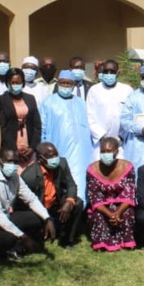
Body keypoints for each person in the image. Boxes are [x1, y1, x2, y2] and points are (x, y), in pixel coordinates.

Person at [0, 148, 55, 266]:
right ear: (0, 161)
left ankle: (15, 248)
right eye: (9, 161)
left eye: (16, 162)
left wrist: (48, 218)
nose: (13, 165)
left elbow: (30, 199)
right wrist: (23, 237)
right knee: (9, 238)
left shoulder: (15, 177)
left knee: (38, 218)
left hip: (5, 217)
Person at [41, 70, 93, 201]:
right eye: (62, 83)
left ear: (74, 85)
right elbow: (42, 128)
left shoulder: (81, 102)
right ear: (57, 83)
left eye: (68, 83)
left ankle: (81, 210)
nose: (65, 86)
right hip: (59, 149)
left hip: (82, 153)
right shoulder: (48, 102)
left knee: (82, 182)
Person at [18, 143, 84, 247]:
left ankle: (67, 239)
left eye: (56, 155)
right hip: (38, 208)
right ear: (40, 159)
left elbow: (71, 185)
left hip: (55, 203)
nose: (55, 159)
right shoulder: (28, 176)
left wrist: (69, 201)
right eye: (50, 157)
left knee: (78, 203)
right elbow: (24, 204)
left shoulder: (62, 163)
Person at [86, 137, 137, 252]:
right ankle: (101, 243)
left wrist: (117, 213)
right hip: (102, 206)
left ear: (117, 152)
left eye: (109, 151)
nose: (105, 154)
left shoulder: (128, 167)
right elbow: (94, 196)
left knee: (128, 212)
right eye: (103, 151)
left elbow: (129, 194)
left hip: (122, 205)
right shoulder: (91, 169)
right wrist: (110, 214)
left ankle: (126, 241)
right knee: (97, 215)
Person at [0, 68, 41, 173]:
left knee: (30, 176)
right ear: (7, 83)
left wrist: (32, 148)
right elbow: (2, 127)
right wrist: (14, 150)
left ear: (23, 83)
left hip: (28, 145)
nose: (16, 85)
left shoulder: (30, 99)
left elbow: (37, 125)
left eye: (18, 82)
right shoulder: (1, 100)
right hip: (11, 147)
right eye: (13, 82)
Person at [87, 59, 134, 159]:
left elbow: (132, 115)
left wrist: (121, 137)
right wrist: (102, 137)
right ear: (102, 73)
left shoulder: (127, 90)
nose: (109, 74)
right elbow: (89, 116)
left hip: (122, 144)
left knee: (122, 171)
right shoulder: (94, 90)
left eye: (112, 72)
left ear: (118, 72)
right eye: (106, 71)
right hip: (100, 143)